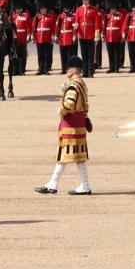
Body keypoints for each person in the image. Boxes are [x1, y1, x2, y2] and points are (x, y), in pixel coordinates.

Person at [36, 56, 93, 195]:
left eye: (68, 68)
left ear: (74, 70)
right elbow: (84, 105)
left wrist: (61, 110)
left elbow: (69, 104)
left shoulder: (73, 85)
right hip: (78, 123)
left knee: (69, 155)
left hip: (71, 124)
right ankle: (55, 183)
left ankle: (60, 184)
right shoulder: (81, 83)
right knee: (73, 156)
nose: (66, 70)